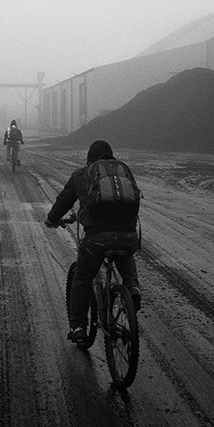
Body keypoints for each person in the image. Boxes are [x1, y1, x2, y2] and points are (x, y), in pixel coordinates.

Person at [44, 139, 142, 344]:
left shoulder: (81, 174)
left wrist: (51, 220)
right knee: (124, 251)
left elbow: (64, 201)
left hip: (97, 240)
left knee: (82, 277)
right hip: (129, 236)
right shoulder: (123, 171)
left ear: (90, 159)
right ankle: (132, 288)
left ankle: (78, 326)